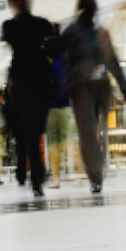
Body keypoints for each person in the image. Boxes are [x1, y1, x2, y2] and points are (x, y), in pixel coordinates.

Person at [55, 0, 126, 194]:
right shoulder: (72, 31)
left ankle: (97, 168)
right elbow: (57, 52)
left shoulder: (101, 32)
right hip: (80, 86)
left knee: (101, 131)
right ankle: (95, 175)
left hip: (102, 85)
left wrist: (123, 85)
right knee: (88, 132)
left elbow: (111, 59)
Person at [2, 0, 55, 197]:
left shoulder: (13, 27)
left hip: (29, 80)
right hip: (31, 81)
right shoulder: (36, 25)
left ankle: (36, 174)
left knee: (33, 131)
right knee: (33, 131)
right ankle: (36, 175)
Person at [46, 57, 83, 189]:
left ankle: (56, 178)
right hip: (65, 106)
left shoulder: (50, 61)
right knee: (70, 141)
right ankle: (78, 172)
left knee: (54, 144)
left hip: (52, 108)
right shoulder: (64, 61)